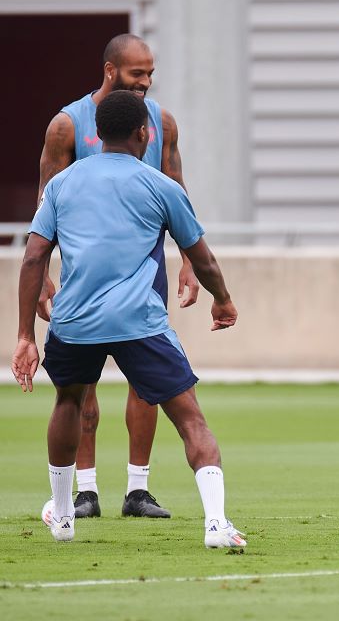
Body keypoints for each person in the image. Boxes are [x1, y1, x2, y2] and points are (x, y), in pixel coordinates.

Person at [11, 91, 245, 548]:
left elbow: (33, 256)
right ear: (145, 133)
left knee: (68, 403)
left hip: (75, 322)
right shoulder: (161, 186)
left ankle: (63, 517)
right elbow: (203, 258)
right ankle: (216, 524)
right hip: (141, 322)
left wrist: (25, 335)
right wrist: (223, 299)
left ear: (96, 134)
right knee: (190, 419)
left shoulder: (62, 184)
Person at [37, 33, 198, 519]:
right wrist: (43, 271)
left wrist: (188, 260)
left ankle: (137, 489)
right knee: (82, 383)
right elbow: (46, 201)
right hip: (84, 270)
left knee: (144, 378)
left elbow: (177, 188)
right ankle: (85, 491)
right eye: (137, 74)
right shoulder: (67, 126)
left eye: (150, 74)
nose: (146, 83)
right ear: (111, 71)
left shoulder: (161, 123)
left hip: (145, 269)